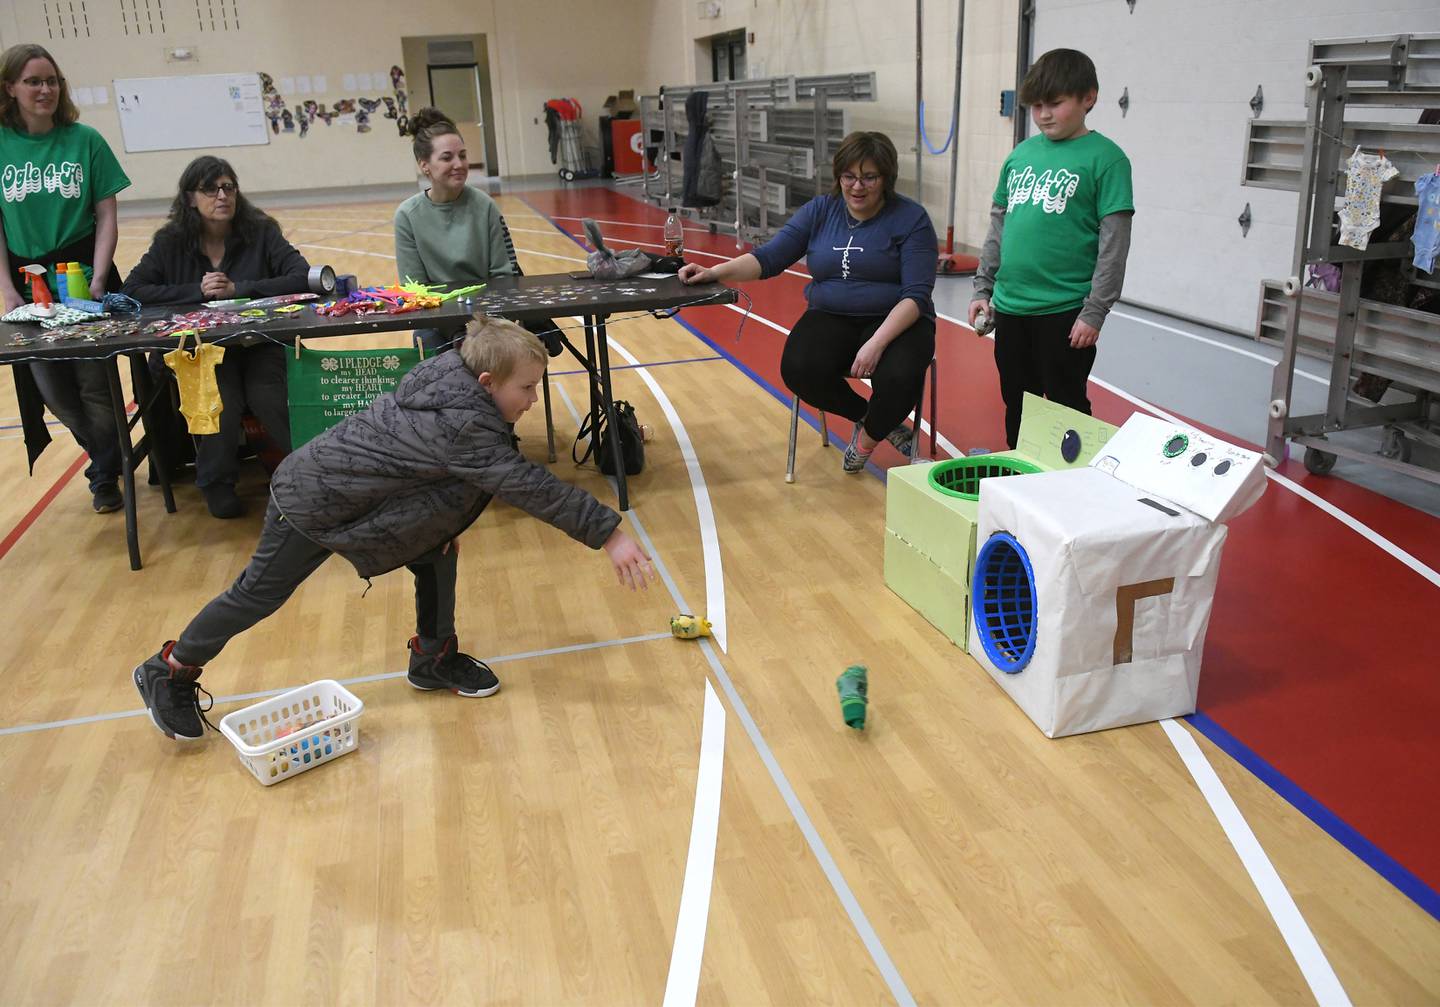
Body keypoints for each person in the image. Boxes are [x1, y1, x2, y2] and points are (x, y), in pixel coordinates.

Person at [131, 316, 655, 742]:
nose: (533, 400)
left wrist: (443, 519)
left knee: (438, 550)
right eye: (527, 388)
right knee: (257, 595)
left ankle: (433, 658)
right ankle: (170, 667)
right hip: (311, 501)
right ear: (487, 383)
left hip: (355, 496)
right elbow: (530, 486)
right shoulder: (466, 423)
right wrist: (610, 535)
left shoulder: (450, 375)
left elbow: (431, 464)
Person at [679, 131, 938, 473]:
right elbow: (769, 258)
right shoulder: (821, 211)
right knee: (799, 368)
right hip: (832, 314)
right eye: (849, 177)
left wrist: (877, 343)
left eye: (869, 177)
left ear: (886, 178)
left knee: (899, 374)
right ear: (838, 176)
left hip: (897, 318)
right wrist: (716, 272)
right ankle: (872, 418)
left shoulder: (911, 219)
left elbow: (916, 295)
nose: (857, 187)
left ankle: (867, 441)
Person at [123, 156, 312, 518]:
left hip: (259, 344)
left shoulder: (261, 231)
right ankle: (216, 482)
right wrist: (195, 290)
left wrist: (240, 288)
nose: (222, 195)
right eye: (210, 189)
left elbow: (301, 275)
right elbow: (134, 289)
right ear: (191, 198)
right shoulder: (170, 242)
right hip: (204, 349)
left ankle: (306, 473)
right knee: (218, 399)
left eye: (229, 187)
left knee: (268, 394)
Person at [968, 48, 1134, 448]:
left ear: (1088, 98)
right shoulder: (1020, 156)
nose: (1044, 114)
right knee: (1016, 402)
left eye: (1055, 104)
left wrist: (1094, 312)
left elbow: (1114, 246)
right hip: (1011, 307)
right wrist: (982, 288)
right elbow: (999, 228)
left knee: (1065, 405)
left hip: (1064, 312)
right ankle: (1020, 478)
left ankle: (1073, 488)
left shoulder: (1107, 160)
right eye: (1037, 106)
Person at [0, 43, 131, 512]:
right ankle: (106, 456)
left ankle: (105, 476)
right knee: (51, 388)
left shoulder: (85, 140)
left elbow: (107, 215)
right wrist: (6, 288)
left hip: (80, 272)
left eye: (51, 80)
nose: (45, 89)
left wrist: (98, 277)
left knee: (94, 383)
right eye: (33, 81)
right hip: (25, 279)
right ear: (10, 87)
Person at [394, 107, 514, 354]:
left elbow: (502, 276)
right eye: (447, 158)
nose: (459, 164)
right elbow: (415, 289)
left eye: (462, 155)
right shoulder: (407, 216)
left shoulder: (485, 206)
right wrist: (454, 329)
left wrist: (480, 325)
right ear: (425, 165)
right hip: (437, 321)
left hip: (486, 316)